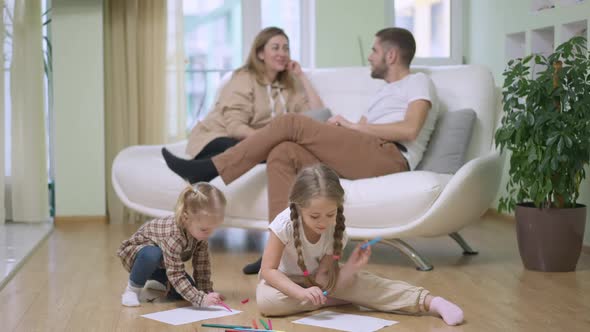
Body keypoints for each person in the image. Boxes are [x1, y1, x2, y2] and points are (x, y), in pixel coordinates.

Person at [162, 27, 439, 275]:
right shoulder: (383, 92)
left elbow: (410, 129)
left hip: (391, 156)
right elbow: (361, 132)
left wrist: (352, 126)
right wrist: (348, 129)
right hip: (367, 153)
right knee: (282, 151)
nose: (369, 56)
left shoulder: (417, 82)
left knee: (290, 123)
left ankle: (210, 170)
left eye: (374, 50)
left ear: (391, 56)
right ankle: (277, 250)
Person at [256, 164, 463, 326]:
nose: (323, 222)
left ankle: (430, 302)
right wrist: (300, 293)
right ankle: (333, 299)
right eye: (314, 216)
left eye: (330, 214)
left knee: (368, 284)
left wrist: (351, 268)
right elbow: (268, 270)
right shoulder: (283, 224)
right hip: (284, 284)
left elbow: (322, 277)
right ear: (298, 207)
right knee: (267, 302)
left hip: (321, 282)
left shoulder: (335, 229)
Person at [184, 26, 324, 166]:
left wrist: (301, 76)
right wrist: (270, 140)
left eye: (286, 48)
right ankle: (195, 167)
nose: (282, 53)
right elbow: (235, 127)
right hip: (217, 136)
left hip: (252, 141)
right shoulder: (244, 78)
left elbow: (318, 116)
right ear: (260, 54)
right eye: (275, 48)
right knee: (252, 149)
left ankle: (198, 168)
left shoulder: (289, 85)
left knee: (278, 152)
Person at [117, 182, 226, 307]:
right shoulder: (173, 235)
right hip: (137, 257)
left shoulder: (200, 234)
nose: (209, 234)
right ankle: (132, 290)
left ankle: (159, 280)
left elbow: (202, 266)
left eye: (213, 229)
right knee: (152, 254)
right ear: (186, 219)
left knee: (184, 292)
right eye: (204, 229)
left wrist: (206, 293)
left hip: (164, 263)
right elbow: (176, 274)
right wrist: (200, 300)